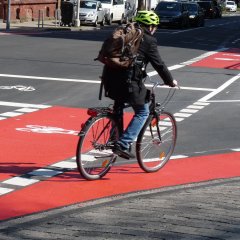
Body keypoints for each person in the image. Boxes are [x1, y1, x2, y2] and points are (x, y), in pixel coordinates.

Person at [101, 10, 178, 159]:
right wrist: (170, 81)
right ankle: (122, 143)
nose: (155, 29)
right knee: (143, 112)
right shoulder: (148, 40)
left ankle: (113, 138)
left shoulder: (124, 33)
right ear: (150, 26)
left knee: (119, 106)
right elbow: (159, 64)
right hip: (129, 82)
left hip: (109, 78)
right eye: (155, 26)